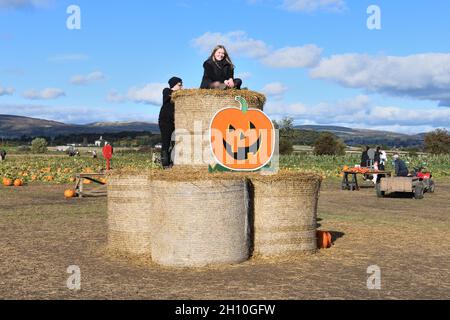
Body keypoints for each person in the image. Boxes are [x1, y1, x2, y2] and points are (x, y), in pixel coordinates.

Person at [159, 76, 183, 169]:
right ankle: (165, 164)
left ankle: (173, 162)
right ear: (174, 85)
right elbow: (169, 94)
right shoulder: (167, 91)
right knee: (166, 142)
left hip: (175, 122)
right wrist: (178, 93)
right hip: (165, 122)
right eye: (179, 85)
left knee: (176, 143)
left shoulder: (179, 96)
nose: (181, 87)